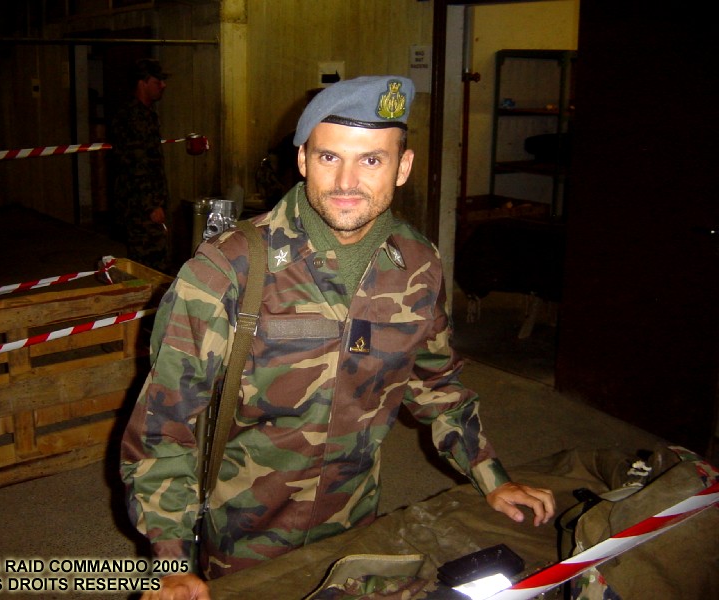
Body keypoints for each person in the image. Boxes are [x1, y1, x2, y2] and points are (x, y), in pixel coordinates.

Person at [121, 75, 555, 599]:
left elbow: (436, 383)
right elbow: (163, 425)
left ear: (403, 166)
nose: (347, 181)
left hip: (355, 529)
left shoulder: (418, 264)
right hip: (240, 541)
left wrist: (491, 475)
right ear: (303, 160)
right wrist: (172, 560)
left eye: (371, 159)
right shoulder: (228, 269)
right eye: (330, 157)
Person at [109, 58, 171, 274]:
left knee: (155, 261)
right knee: (148, 264)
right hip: (140, 208)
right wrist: (151, 205)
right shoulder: (131, 117)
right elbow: (136, 165)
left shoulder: (146, 115)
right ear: (142, 83)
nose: (163, 85)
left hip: (148, 204)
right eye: (157, 81)